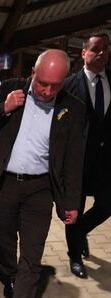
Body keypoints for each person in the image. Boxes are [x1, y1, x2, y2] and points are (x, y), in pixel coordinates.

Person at [0, 49, 85, 298]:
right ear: (33, 73)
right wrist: (4, 108)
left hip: (41, 190)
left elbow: (73, 160)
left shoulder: (73, 108)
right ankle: (10, 274)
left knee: (32, 255)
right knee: (5, 238)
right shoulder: (11, 89)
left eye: (55, 86)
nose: (47, 91)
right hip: (5, 184)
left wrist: (71, 202)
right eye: (42, 83)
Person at [64, 32, 111, 279]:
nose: (102, 52)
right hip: (77, 161)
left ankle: (81, 232)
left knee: (106, 204)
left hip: (106, 162)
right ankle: (74, 256)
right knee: (74, 210)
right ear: (83, 53)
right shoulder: (70, 85)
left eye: (106, 48)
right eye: (95, 48)